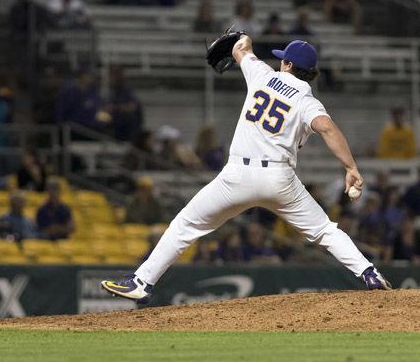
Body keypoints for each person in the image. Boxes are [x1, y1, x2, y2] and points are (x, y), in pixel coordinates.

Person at [101, 35, 391, 302]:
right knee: (324, 231)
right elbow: (326, 127)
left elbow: (241, 48)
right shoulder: (307, 101)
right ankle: (369, 274)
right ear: (311, 73)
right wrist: (350, 167)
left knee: (185, 225)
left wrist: (242, 37)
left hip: (237, 175)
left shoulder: (263, 75)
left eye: (283, 59)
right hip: (279, 179)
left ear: (287, 64)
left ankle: (142, 282)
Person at [106, 65, 143, 143]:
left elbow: (131, 107)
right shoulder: (114, 91)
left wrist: (113, 108)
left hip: (128, 129)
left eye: (113, 75)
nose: (110, 78)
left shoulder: (126, 89)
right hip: (117, 128)